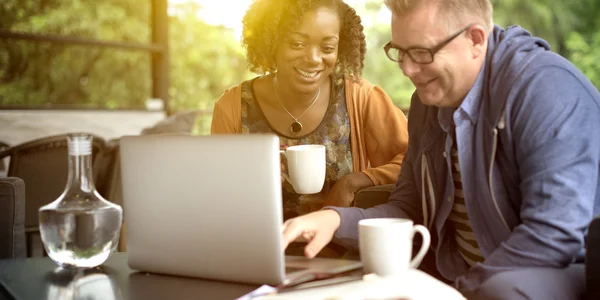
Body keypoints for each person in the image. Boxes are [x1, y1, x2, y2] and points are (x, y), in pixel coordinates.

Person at [282, 0, 600, 298]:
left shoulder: (545, 88)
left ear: (476, 39)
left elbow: (552, 234)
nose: (406, 69)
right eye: (399, 51)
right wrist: (334, 220)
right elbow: (408, 210)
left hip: (562, 269)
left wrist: (456, 291)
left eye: (420, 52)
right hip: (457, 271)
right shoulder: (428, 102)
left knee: (502, 290)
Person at [210, 0, 409, 222]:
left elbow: (414, 161)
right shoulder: (233, 106)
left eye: (327, 48)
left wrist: (355, 181)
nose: (313, 58)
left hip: (341, 249)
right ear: (271, 42)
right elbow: (218, 192)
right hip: (257, 246)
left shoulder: (361, 97)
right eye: (297, 44)